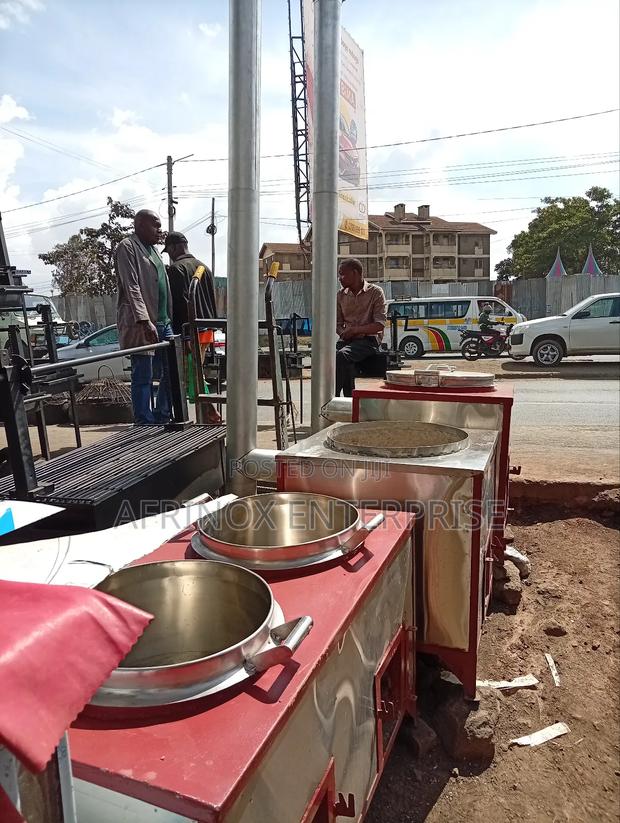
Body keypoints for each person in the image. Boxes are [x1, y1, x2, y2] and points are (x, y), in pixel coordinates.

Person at [115, 209, 173, 425]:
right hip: (143, 322)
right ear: (139, 225)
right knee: (143, 374)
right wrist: (144, 319)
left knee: (171, 372)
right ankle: (144, 420)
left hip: (163, 321)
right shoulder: (127, 247)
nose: (159, 230)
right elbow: (132, 287)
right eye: (155, 225)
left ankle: (162, 414)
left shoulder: (154, 251)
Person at [163, 231, 221, 423]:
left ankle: (208, 410)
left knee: (187, 374)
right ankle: (207, 411)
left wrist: (184, 337)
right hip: (206, 329)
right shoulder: (204, 267)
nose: (169, 255)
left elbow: (180, 304)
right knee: (195, 371)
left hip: (189, 331)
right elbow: (212, 301)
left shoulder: (176, 269)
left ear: (173, 248)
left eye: (168, 250)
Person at [336, 257, 387, 397]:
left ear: (355, 273)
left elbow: (379, 324)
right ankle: (349, 400)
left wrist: (355, 330)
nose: (340, 278)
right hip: (347, 341)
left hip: (368, 341)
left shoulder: (375, 292)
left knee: (341, 356)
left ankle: (333, 398)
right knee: (331, 359)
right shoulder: (340, 296)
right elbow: (338, 324)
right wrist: (343, 333)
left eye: (343, 274)